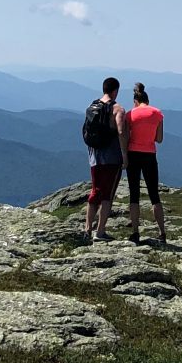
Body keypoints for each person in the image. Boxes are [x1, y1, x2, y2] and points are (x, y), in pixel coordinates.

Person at [83, 76, 127, 242]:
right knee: (107, 194)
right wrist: (124, 155)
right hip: (111, 156)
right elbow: (121, 132)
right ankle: (100, 231)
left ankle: (87, 228)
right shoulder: (117, 109)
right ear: (115, 90)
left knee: (95, 190)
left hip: (94, 154)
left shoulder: (93, 105)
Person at [124, 82, 166, 245]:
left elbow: (126, 137)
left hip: (133, 154)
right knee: (154, 195)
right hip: (149, 155)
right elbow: (159, 139)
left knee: (134, 195)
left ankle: (135, 233)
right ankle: (162, 232)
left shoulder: (130, 114)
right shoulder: (157, 113)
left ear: (135, 101)